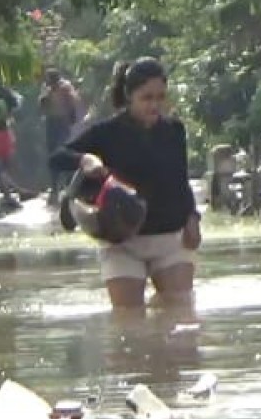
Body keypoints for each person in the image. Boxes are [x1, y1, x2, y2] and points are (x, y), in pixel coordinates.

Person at [49, 57, 202, 308]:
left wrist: (193, 217)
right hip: (121, 241)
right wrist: (85, 159)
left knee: (180, 319)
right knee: (128, 320)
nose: (155, 105)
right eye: (147, 98)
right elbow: (57, 158)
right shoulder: (105, 133)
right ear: (129, 96)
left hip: (169, 238)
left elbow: (180, 180)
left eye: (160, 97)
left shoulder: (174, 131)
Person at [40, 69, 84, 201]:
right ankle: (54, 188)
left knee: (63, 152)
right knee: (52, 154)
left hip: (62, 123)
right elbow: (42, 105)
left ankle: (68, 187)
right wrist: (45, 98)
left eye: (51, 79)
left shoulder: (65, 87)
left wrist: (72, 118)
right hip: (51, 122)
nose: (50, 82)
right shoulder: (46, 89)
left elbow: (73, 102)